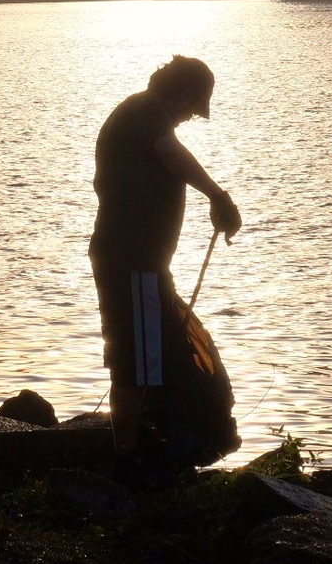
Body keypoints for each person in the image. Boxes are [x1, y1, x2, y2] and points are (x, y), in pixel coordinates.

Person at [90, 55, 244, 489]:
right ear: (180, 94)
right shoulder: (145, 112)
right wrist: (217, 195)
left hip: (143, 262)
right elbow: (170, 152)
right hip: (132, 260)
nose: (190, 118)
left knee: (153, 353)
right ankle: (128, 459)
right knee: (137, 361)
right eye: (192, 109)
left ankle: (148, 445)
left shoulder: (145, 114)